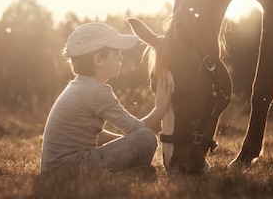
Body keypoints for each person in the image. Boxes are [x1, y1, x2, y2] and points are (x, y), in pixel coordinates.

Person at [39, 22, 173, 175]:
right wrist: (160, 108)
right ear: (98, 60)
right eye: (116, 53)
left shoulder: (80, 86)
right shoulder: (96, 91)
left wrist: (126, 141)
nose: (121, 57)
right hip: (72, 168)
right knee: (146, 138)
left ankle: (133, 173)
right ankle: (132, 173)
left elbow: (94, 134)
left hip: (55, 169)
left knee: (139, 137)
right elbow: (137, 129)